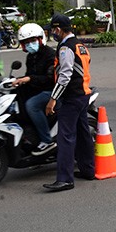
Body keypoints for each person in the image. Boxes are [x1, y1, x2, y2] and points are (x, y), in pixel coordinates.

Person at [44, 13, 94, 191]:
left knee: (65, 138)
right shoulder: (80, 45)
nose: (52, 33)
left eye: (53, 30)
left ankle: (65, 178)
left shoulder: (66, 48)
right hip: (83, 94)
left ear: (58, 29)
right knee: (83, 134)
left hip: (72, 97)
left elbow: (65, 76)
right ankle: (89, 170)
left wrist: (53, 99)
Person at [11, 23, 57, 156]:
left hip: (51, 91)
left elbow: (49, 79)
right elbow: (30, 75)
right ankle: (29, 136)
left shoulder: (50, 55)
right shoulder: (31, 56)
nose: (30, 44)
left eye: (33, 41)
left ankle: (46, 140)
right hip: (37, 89)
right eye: (26, 43)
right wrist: (17, 80)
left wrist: (29, 79)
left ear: (41, 39)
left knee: (32, 105)